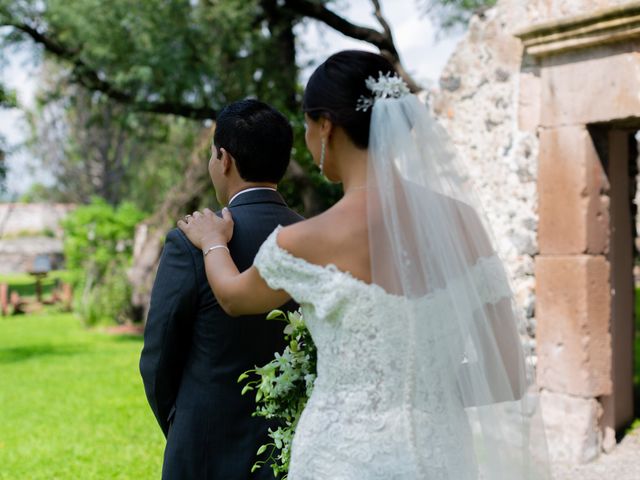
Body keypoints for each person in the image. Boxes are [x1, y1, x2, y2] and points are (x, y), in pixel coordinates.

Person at [178, 51, 550, 479]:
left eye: (306, 124)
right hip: (442, 454)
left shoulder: (306, 240)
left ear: (326, 127)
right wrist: (424, 392)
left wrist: (211, 242)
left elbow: (233, 297)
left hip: (343, 458)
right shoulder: (463, 224)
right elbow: (506, 374)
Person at [140, 99, 303, 480]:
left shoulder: (193, 240)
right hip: (294, 449)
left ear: (224, 158)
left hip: (204, 449)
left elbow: (159, 356)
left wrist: (183, 425)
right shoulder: (316, 236)